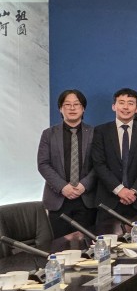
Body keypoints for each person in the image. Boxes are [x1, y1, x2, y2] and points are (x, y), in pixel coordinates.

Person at [37, 89, 96, 237]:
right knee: (59, 246)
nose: (72, 108)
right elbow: (43, 164)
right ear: (60, 108)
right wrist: (63, 187)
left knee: (86, 245)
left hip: (86, 199)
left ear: (83, 108)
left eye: (76, 104)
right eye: (67, 104)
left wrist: (84, 185)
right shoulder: (48, 134)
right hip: (58, 199)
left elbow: (99, 165)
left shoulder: (95, 133)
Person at [92, 88, 137, 222]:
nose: (126, 107)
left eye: (130, 103)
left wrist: (134, 191)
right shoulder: (101, 131)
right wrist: (119, 190)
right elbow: (99, 164)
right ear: (114, 106)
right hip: (109, 201)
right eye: (121, 102)